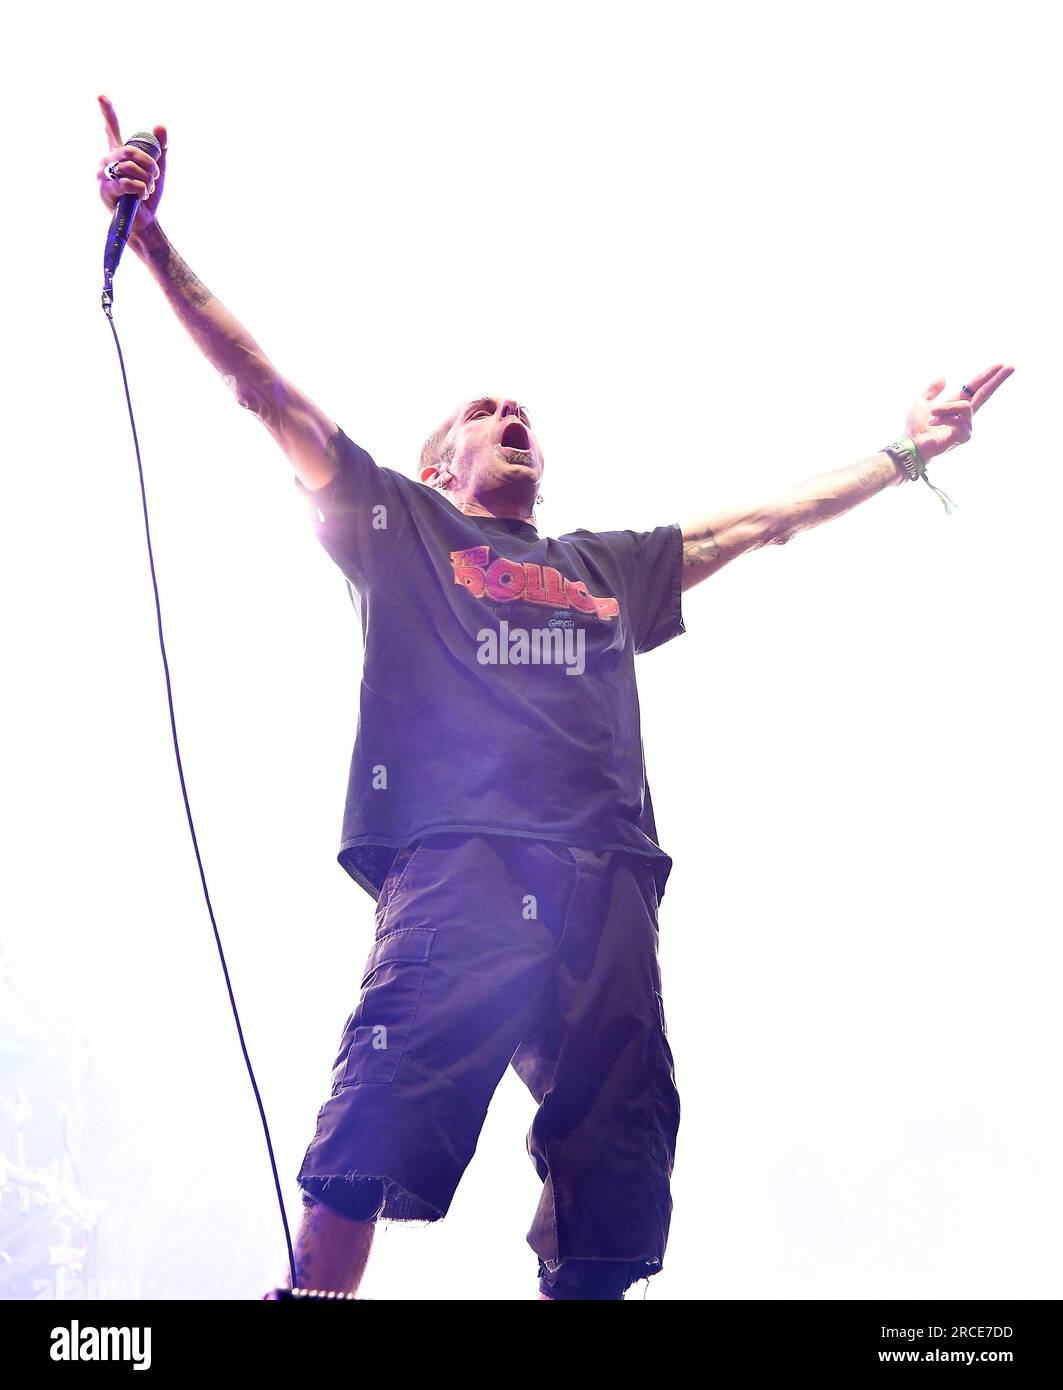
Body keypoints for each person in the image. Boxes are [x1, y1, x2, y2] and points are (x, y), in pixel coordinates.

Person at [96, 96, 1015, 1301]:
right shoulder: (403, 525)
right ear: (440, 463)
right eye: (480, 410)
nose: (507, 410)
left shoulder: (604, 567)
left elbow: (766, 521)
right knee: (381, 1103)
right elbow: (263, 390)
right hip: (464, 860)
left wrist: (903, 456)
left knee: (619, 1157)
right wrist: (154, 241)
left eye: (517, 408)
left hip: (608, 877)